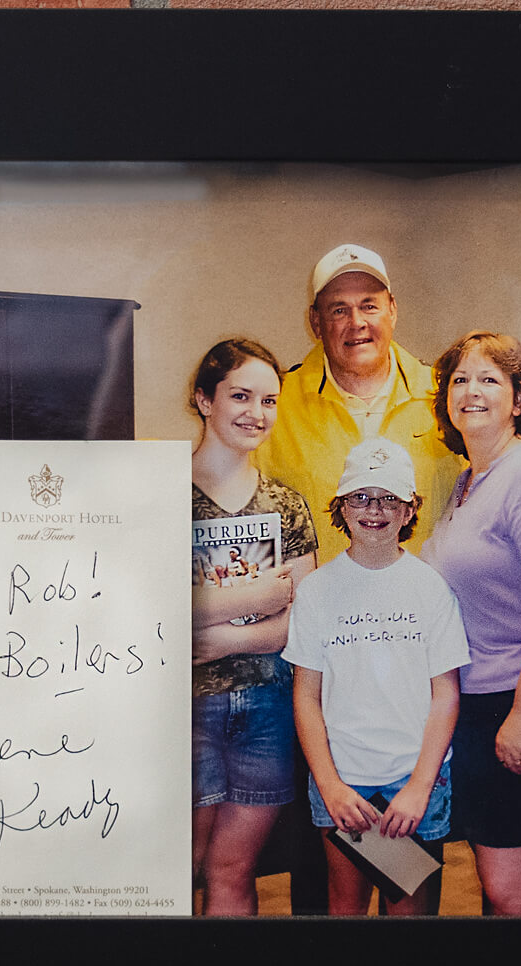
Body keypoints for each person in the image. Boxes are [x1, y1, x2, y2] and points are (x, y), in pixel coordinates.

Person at [420, 331, 521, 915]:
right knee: (499, 889)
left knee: (515, 892)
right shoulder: (468, 483)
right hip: (477, 702)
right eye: (459, 379)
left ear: (519, 400)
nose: (470, 391)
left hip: (520, 704)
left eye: (489, 379)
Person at [280, 437, 469, 916]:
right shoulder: (318, 590)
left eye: (390, 498)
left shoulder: (429, 587)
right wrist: (331, 785)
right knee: (345, 905)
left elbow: (445, 695)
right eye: (361, 497)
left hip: (414, 781)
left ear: (409, 511)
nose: (375, 509)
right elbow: (306, 697)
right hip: (346, 785)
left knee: (407, 906)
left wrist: (419, 787)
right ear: (341, 506)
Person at [188, 338, 319, 915]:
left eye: (269, 400)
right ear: (203, 400)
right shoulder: (158, 497)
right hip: (183, 709)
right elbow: (146, 610)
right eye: (240, 396)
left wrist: (214, 634)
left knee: (234, 870)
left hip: (268, 706)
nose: (255, 413)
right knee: (176, 868)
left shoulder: (285, 505)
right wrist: (258, 593)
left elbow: (300, 623)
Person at [254, 243, 460, 565]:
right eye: (338, 309)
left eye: (369, 306)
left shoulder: (447, 395)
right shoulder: (271, 404)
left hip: (428, 608)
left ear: (392, 309)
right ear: (316, 322)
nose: (356, 321)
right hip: (317, 611)